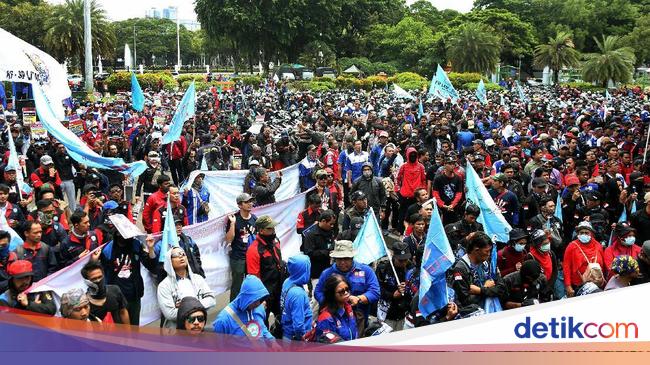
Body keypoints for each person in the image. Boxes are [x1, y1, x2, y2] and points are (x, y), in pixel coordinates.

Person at [314, 240, 380, 335]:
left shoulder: (366, 271)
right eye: (339, 259)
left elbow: (375, 292)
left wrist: (359, 299)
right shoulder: (327, 273)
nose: (342, 262)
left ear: (352, 257)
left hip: (359, 320)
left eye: (346, 259)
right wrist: (331, 302)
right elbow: (318, 292)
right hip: (334, 323)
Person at [100, 231, 158, 325]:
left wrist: (151, 248)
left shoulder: (136, 245)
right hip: (117, 299)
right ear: (117, 234)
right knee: (121, 333)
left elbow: (151, 266)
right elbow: (102, 273)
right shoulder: (108, 250)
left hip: (134, 296)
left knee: (134, 330)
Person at [446, 232, 505, 314]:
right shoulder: (460, 269)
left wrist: (480, 290)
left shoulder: (487, 264)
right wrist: (486, 288)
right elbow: (465, 301)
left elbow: (501, 288)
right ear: (476, 250)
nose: (489, 254)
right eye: (487, 251)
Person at [157, 247, 215, 329]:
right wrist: (198, 308)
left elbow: (211, 300)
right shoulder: (164, 286)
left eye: (183, 254)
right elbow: (170, 314)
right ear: (169, 261)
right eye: (176, 255)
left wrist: (185, 306)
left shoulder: (198, 278)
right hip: (176, 331)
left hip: (198, 326)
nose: (181, 257)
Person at [246, 215, 287, 320]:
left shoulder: (275, 242)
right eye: (269, 229)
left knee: (282, 320)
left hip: (279, 289)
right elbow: (254, 277)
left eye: (273, 228)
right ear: (261, 230)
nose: (273, 231)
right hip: (265, 293)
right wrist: (260, 298)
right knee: (262, 322)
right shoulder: (253, 250)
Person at [212, 275, 275, 340]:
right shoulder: (223, 320)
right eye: (255, 300)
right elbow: (220, 347)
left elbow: (262, 328)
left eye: (260, 299)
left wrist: (272, 341)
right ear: (246, 298)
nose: (258, 303)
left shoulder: (258, 308)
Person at [226, 193, 257, 301]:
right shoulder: (234, 219)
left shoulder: (254, 218)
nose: (250, 204)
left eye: (251, 201)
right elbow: (229, 240)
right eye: (247, 202)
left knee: (252, 284)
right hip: (238, 258)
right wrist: (232, 224)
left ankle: (250, 305)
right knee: (237, 287)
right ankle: (233, 310)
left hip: (251, 257)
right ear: (239, 205)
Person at [375, 242, 412, 331]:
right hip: (387, 313)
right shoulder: (383, 269)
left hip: (404, 313)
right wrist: (392, 295)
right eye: (400, 260)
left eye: (405, 260)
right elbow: (376, 289)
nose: (403, 263)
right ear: (393, 256)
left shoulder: (410, 268)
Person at [563, 221, 606, 297]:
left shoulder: (598, 246)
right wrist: (568, 285)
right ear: (578, 234)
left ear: (591, 234)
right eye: (581, 233)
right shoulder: (571, 246)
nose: (584, 235)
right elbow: (566, 267)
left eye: (587, 233)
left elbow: (603, 266)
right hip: (578, 285)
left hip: (597, 284)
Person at [315, 274, 358, 342]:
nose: (346, 293)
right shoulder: (326, 319)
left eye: (347, 289)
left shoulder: (349, 309)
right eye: (341, 291)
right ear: (331, 294)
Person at [280, 254, 313, 341]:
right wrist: (303, 340)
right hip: (295, 340)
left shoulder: (287, 281)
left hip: (286, 333)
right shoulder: (298, 294)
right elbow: (298, 326)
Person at [396, 147, 426, 231]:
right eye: (411, 155)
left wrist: (423, 192)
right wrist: (398, 190)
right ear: (407, 155)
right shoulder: (404, 166)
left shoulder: (421, 167)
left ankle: (414, 230)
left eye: (414, 155)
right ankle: (401, 231)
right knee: (403, 213)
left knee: (416, 214)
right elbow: (398, 178)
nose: (412, 156)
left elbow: (424, 180)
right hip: (405, 194)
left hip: (416, 195)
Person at [302, 210, 337, 280]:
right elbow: (309, 253)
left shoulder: (330, 231)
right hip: (315, 273)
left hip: (328, 269)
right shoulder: (310, 234)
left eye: (333, 224)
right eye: (330, 224)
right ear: (323, 221)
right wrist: (327, 252)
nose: (332, 226)